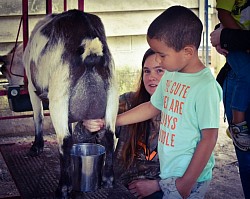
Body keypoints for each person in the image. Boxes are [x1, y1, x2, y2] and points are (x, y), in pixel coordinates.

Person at [116, 5, 222, 199]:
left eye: (162, 55)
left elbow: (209, 139)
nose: (157, 59)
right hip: (169, 172)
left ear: (188, 52)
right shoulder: (171, 76)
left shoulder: (205, 87)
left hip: (189, 178)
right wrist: (116, 120)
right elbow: (152, 106)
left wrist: (185, 184)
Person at [82, 48, 165, 199]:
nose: (151, 77)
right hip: (122, 184)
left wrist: (156, 185)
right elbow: (91, 140)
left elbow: (194, 168)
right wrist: (90, 125)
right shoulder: (127, 102)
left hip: (159, 188)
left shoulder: (180, 113)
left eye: (159, 71)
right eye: (146, 71)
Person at [210, 27, 250, 199]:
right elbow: (225, 23)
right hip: (235, 77)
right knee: (247, 164)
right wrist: (222, 34)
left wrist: (226, 37)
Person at [215, 0, 250, 151]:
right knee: (246, 74)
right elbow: (223, 13)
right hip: (237, 47)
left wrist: (227, 37)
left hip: (237, 40)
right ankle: (237, 123)